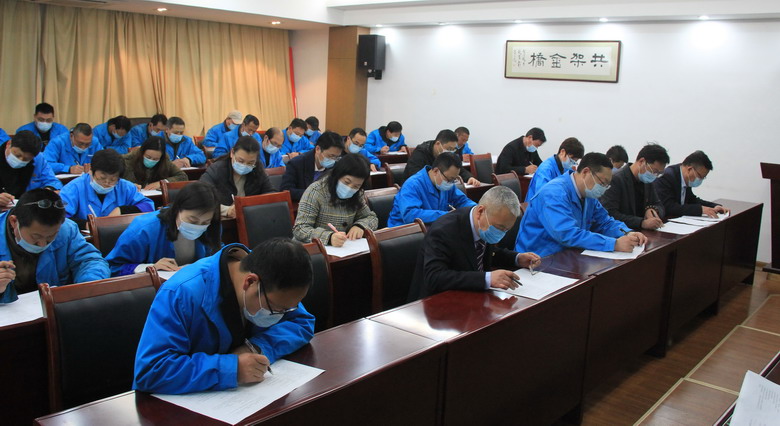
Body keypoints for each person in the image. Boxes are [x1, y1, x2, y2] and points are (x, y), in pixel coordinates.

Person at [133, 238, 315, 394]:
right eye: (276, 309)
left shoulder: (275, 274)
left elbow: (301, 322)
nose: (279, 315)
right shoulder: (180, 293)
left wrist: (257, 347)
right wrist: (232, 369)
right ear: (250, 282)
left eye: (287, 309)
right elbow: (151, 370)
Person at [407, 186, 541, 301]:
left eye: (506, 230)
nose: (501, 233)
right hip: (435, 304)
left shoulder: (485, 223)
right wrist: (487, 279)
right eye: (500, 227)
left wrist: (517, 258)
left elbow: (489, 254)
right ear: (481, 211)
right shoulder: (443, 230)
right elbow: (435, 277)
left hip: (472, 297)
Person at [515, 152, 647, 257]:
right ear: (585, 172)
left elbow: (604, 222)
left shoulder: (588, 194)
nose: (603, 188)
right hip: (539, 258)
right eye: (602, 183)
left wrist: (626, 232)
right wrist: (613, 244)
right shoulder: (554, 193)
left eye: (607, 185)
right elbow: (567, 234)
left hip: (568, 255)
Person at [0, 189, 109, 304]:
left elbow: (90, 260)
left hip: (55, 306)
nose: (42, 244)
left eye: (50, 237)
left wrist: (89, 286)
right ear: (14, 222)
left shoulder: (66, 229)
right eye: (36, 237)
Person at [106, 182, 222, 276]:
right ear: (177, 209)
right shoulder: (145, 229)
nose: (198, 226)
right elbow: (113, 268)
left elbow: (216, 254)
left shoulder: (211, 227)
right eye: (192, 220)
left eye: (205, 222)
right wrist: (150, 268)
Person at [293, 153, 378, 246]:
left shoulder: (358, 193)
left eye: (356, 186)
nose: (350, 188)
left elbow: (371, 218)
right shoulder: (316, 191)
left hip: (346, 248)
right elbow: (300, 228)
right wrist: (329, 237)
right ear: (338, 174)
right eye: (347, 182)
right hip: (313, 249)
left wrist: (360, 226)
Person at [60, 149, 154, 228]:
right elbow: (61, 218)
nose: (106, 183)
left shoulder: (125, 187)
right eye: (102, 178)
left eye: (113, 179)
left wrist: (122, 210)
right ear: (91, 171)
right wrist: (87, 225)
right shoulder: (73, 188)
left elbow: (148, 206)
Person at [388, 152, 476, 228]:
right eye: (449, 179)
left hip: (433, 228)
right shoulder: (412, 185)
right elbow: (410, 215)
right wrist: (447, 215)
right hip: (404, 233)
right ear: (436, 171)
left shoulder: (446, 183)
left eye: (454, 180)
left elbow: (462, 201)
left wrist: (476, 209)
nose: (451, 183)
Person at [200, 136, 275, 219]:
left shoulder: (258, 170)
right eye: (240, 161)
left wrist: (253, 205)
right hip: (224, 221)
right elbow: (200, 197)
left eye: (250, 163)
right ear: (232, 153)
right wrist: (226, 210)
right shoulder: (216, 170)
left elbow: (271, 194)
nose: (244, 165)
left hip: (251, 218)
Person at [601, 143, 670, 230]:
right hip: (622, 232)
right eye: (654, 171)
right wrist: (641, 222)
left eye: (659, 173)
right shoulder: (616, 179)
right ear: (642, 161)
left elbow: (659, 204)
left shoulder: (647, 181)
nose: (655, 175)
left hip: (644, 232)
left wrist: (653, 210)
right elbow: (610, 214)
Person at [654, 150, 730, 219]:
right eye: (700, 176)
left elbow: (692, 200)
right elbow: (668, 207)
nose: (700, 180)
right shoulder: (667, 176)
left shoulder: (685, 178)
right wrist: (700, 210)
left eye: (703, 178)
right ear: (690, 169)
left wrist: (714, 206)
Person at [0, 131, 62, 211]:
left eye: (26, 159)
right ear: (9, 144)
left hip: (29, 208)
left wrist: (48, 190)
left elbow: (52, 181)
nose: (20, 160)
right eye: (17, 155)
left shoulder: (38, 159)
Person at [281, 131, 345, 202]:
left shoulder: (336, 165)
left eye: (336, 157)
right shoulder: (297, 163)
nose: (333, 160)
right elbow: (286, 191)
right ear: (318, 149)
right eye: (331, 156)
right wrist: (315, 194)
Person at [403, 129, 481, 185]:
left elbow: (457, 168)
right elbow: (415, 175)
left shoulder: (449, 153)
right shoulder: (420, 153)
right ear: (438, 144)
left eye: (453, 149)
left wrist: (469, 177)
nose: (451, 151)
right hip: (417, 187)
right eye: (449, 148)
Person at [525, 137, 584, 202]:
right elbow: (544, 195)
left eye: (575, 162)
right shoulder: (546, 169)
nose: (572, 163)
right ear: (562, 152)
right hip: (538, 204)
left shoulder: (566, 168)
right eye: (571, 160)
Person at [122, 136, 187, 190]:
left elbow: (182, 176)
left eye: (156, 159)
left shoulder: (165, 160)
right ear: (142, 152)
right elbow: (116, 181)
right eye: (148, 157)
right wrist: (128, 185)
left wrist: (162, 183)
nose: (151, 161)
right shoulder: (126, 161)